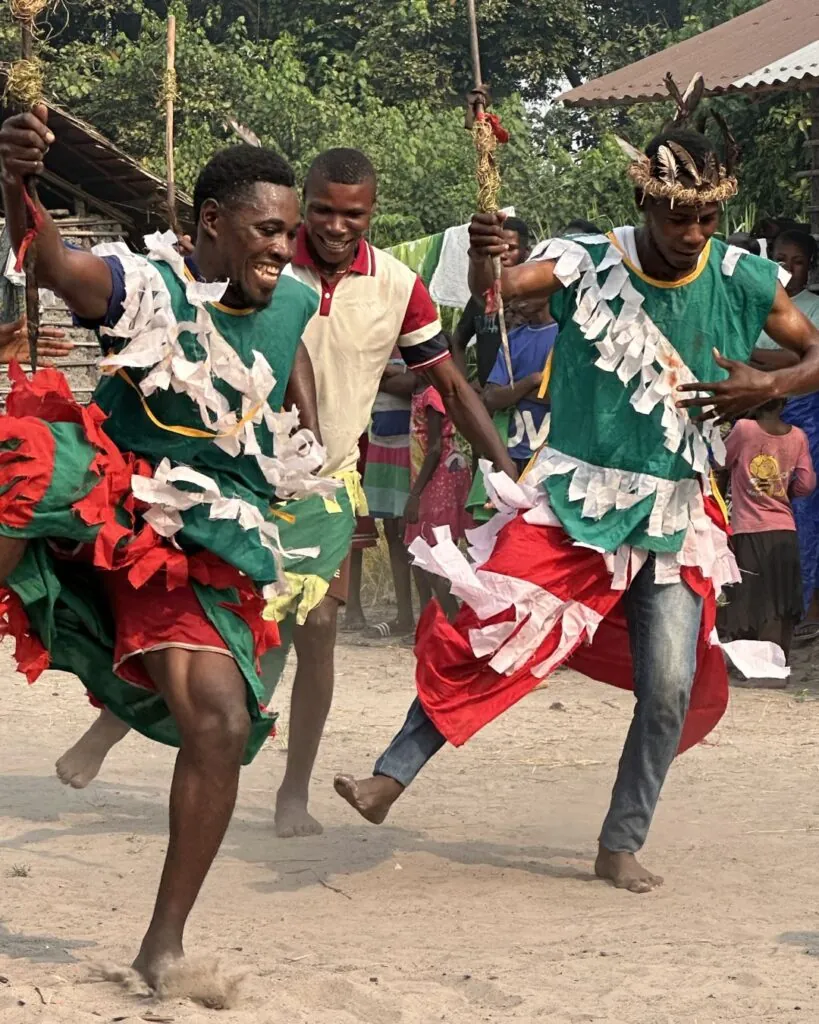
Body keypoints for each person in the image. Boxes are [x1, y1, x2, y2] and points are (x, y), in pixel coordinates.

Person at [335, 105, 819, 894]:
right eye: (674, 214)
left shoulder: (740, 277)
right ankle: (390, 775)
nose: (690, 232)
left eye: (704, 217)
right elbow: (503, 290)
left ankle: (620, 840)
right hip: (573, 500)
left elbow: (813, 350)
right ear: (642, 205)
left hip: (673, 515)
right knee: (495, 624)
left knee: (667, 685)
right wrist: (485, 257)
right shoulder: (584, 261)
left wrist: (771, 382)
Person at [0, 105, 331, 990]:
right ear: (212, 223)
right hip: (116, 504)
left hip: (214, 537)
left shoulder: (293, 292)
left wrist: (307, 433)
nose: (283, 247)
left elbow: (283, 349)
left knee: (221, 725)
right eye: (268, 230)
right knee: (23, 459)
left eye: (290, 232)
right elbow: (53, 264)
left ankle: (162, 949)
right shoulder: (141, 285)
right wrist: (17, 183)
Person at [263, 149, 516, 838]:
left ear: (373, 213)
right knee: (242, 637)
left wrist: (505, 475)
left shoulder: (400, 286)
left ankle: (293, 791)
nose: (336, 226)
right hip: (241, 481)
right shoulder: (266, 264)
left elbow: (452, 384)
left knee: (316, 633)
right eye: (322, 210)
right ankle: (187, 754)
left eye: (353, 214)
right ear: (302, 201)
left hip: (328, 483)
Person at [751, 231, 819, 639]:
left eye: (796, 261)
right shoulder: (758, 301)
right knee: (758, 509)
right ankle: (759, 606)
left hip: (804, 416)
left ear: (809, 266)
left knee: (803, 508)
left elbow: (804, 358)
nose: (787, 268)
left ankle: (803, 606)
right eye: (780, 258)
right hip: (753, 418)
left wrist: (753, 356)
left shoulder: (812, 307)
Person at [717, 399, 814, 679]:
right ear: (784, 403)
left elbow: (720, 462)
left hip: (748, 529)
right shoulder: (798, 436)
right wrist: (784, 495)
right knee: (779, 600)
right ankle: (774, 666)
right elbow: (807, 484)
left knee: (747, 598)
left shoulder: (744, 429)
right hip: (785, 529)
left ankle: (748, 665)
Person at [347, 350, 417, 639]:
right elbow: (356, 378)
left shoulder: (416, 344)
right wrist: (388, 376)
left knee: (414, 532)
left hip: (412, 447)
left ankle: (429, 613)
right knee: (392, 530)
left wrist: (378, 374)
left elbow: (415, 383)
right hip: (380, 445)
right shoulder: (375, 340)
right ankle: (404, 615)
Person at [404, 376, 473, 620]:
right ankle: (443, 620)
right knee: (426, 555)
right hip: (433, 477)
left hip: (440, 476)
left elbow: (434, 449)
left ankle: (454, 621)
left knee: (437, 554)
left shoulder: (432, 393)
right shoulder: (420, 388)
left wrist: (414, 495)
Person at [451, 216, 531, 387]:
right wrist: (463, 388)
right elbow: (457, 342)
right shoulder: (480, 297)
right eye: (497, 248)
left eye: (511, 248)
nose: (503, 255)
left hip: (526, 401)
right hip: (488, 402)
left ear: (526, 251)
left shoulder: (536, 298)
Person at [484, 297, 558, 475]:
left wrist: (512, 391)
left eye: (526, 292)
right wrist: (531, 381)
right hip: (512, 456)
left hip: (552, 459)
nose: (518, 300)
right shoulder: (512, 340)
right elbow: (490, 398)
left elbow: (564, 396)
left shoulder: (564, 335)